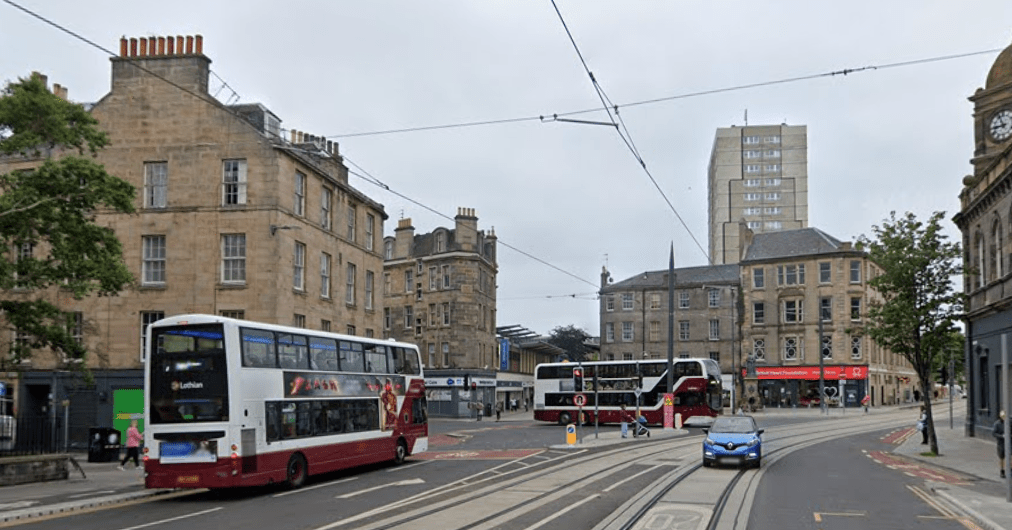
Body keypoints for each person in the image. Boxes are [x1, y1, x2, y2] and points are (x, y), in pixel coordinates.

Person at [993, 410, 1007, 479]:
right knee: (1002, 458)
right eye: (1003, 416)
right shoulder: (997, 424)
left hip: (1008, 443)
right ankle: (1002, 471)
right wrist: (1001, 436)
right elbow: (994, 433)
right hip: (1001, 443)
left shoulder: (1008, 422)